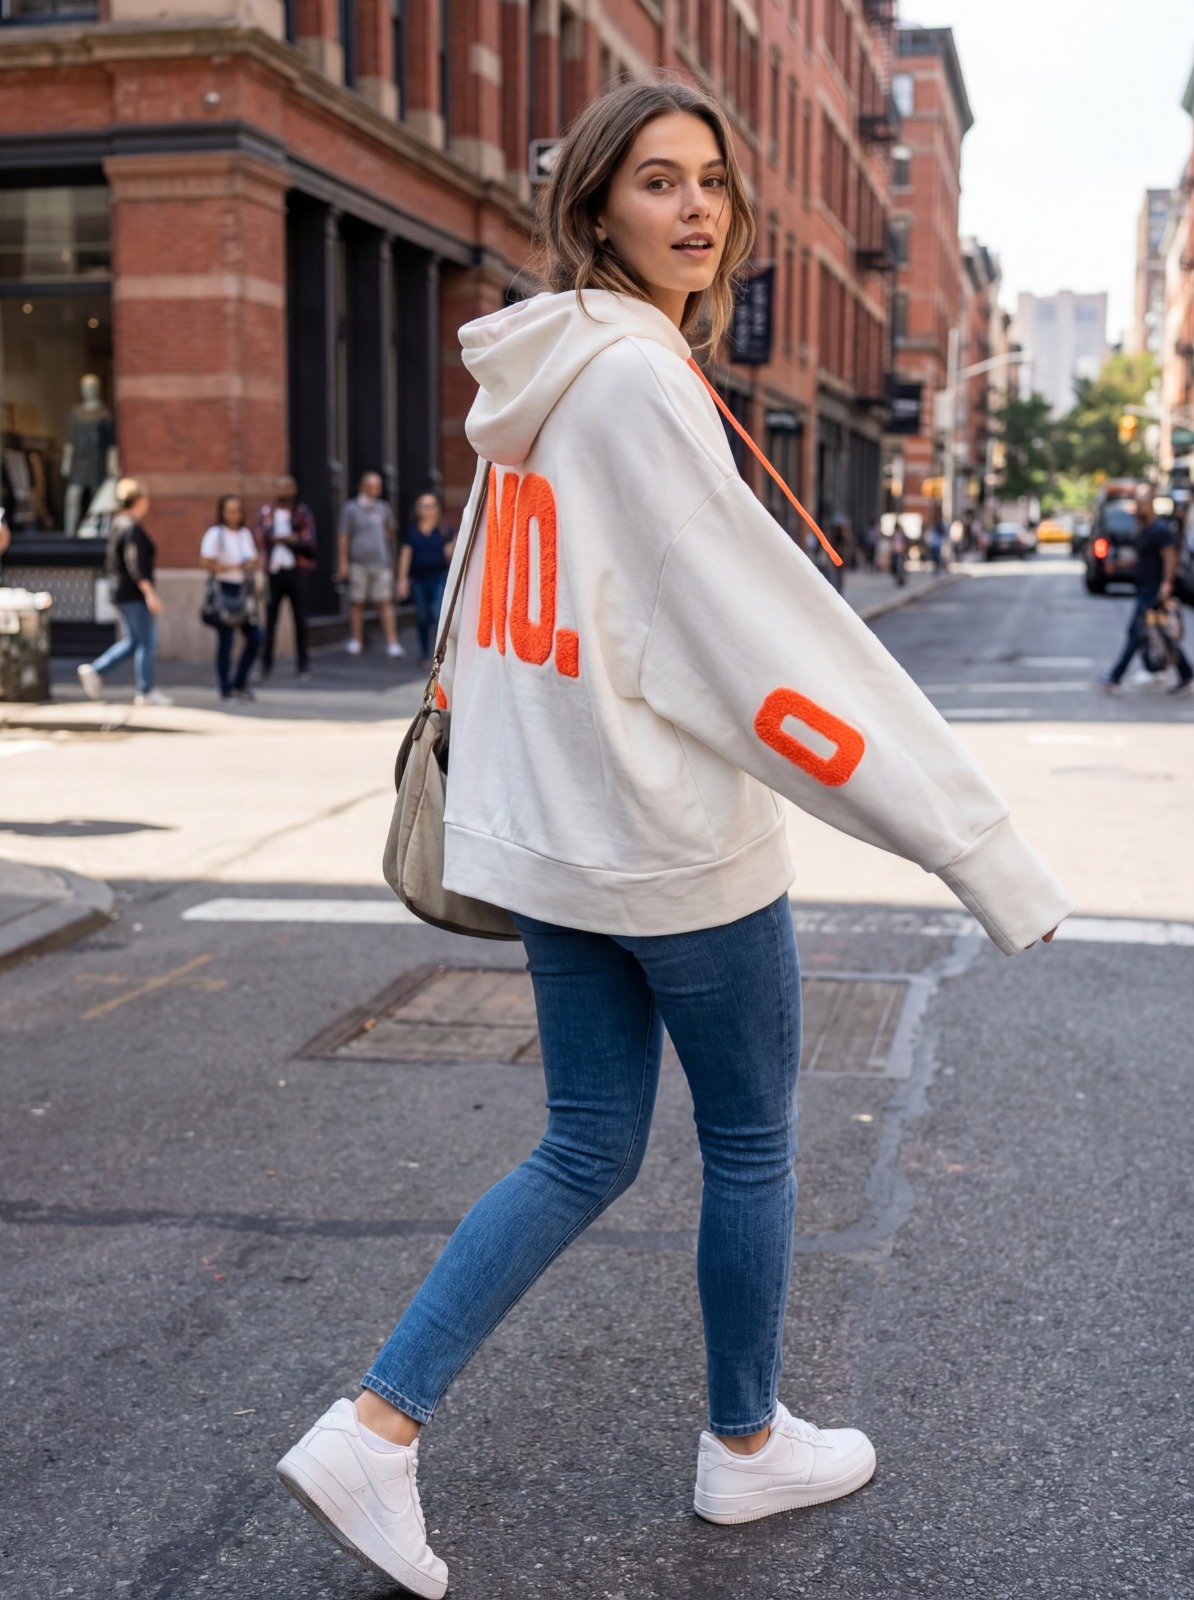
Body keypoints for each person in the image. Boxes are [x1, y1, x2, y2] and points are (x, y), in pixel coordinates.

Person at [276, 78, 1072, 1598]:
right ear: (594, 207)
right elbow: (772, 655)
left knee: (586, 1143)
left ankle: (378, 1424)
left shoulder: (541, 381)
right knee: (751, 1141)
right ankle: (743, 1440)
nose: (696, 207)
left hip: (561, 839)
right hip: (669, 843)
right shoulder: (639, 386)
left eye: (710, 179)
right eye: (656, 181)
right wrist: (977, 848)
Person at [77, 478, 172, 706]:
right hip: (133, 593)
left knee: (133, 641)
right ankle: (146, 691)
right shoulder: (130, 527)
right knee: (147, 641)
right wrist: (149, 593)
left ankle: (96, 670)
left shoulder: (118, 523)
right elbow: (134, 562)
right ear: (138, 500)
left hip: (121, 591)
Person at [1098, 483, 1193, 696]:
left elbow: (1170, 558)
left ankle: (1115, 676)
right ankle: (1184, 673)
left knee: (1138, 632)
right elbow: (1141, 560)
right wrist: (1119, 565)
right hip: (1144, 589)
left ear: (1149, 505)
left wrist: (1166, 585)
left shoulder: (1160, 531)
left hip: (1154, 591)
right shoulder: (1144, 530)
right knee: (1161, 634)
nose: (1138, 508)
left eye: (1141, 504)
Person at [254, 475, 316, 680]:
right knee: (270, 620)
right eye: (280, 487)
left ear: (295, 489)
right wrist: (287, 538)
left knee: (300, 619)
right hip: (274, 572)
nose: (284, 491)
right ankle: (265, 664)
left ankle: (303, 665)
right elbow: (261, 537)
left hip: (297, 571)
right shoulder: (266, 512)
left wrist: (291, 541)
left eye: (288, 487)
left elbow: (309, 543)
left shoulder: (302, 512)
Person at [200, 494, 261, 701]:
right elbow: (206, 562)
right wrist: (232, 567)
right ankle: (225, 688)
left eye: (238, 510)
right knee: (226, 641)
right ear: (223, 512)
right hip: (224, 589)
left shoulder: (245, 534)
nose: (235, 515)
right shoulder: (215, 534)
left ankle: (240, 683)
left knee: (256, 638)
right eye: (230, 510)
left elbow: (253, 559)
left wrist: (249, 565)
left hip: (243, 590)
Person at [338, 471, 404, 658]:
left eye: (377, 486)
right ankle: (356, 640)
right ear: (362, 486)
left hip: (381, 563)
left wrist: (393, 559)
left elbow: (390, 533)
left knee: (385, 602)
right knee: (357, 602)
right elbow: (343, 536)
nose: (375, 490)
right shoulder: (351, 508)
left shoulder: (383, 508)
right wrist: (343, 562)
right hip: (358, 563)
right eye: (371, 486)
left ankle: (392, 643)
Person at [398, 492, 456, 667]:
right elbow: (405, 555)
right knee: (423, 616)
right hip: (419, 579)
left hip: (438, 578)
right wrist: (402, 579)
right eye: (423, 506)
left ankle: (439, 652)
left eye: (430, 506)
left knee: (438, 614)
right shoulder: (412, 531)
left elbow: (452, 554)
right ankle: (424, 652)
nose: (427, 510)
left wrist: (452, 548)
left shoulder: (444, 529)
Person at [890, 516, 909, 586]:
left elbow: (905, 542)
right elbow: (892, 543)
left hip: (901, 552)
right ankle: (898, 578)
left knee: (900, 565)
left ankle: (901, 579)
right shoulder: (894, 535)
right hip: (896, 552)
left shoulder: (902, 535)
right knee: (896, 565)